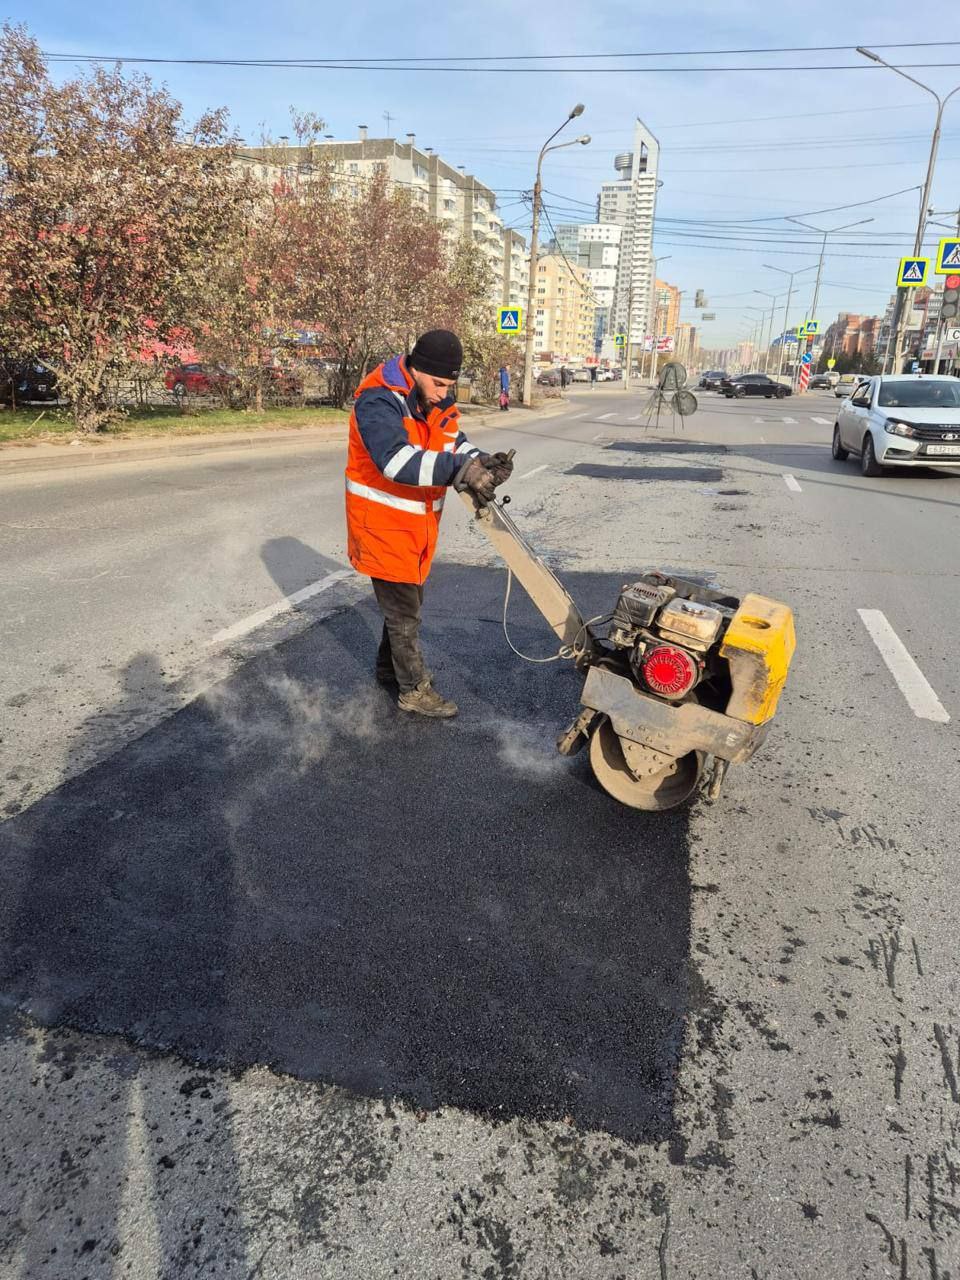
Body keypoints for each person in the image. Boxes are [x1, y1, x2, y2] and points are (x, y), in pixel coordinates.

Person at [345, 329, 514, 718]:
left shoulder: (435, 400)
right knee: (405, 612)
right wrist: (461, 468)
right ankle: (413, 690)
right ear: (416, 369)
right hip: (381, 525)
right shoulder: (378, 400)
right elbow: (395, 461)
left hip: (416, 528)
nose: (443, 392)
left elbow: (453, 442)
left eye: (450, 384)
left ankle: (389, 670)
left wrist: (483, 460)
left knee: (406, 606)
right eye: (438, 383)